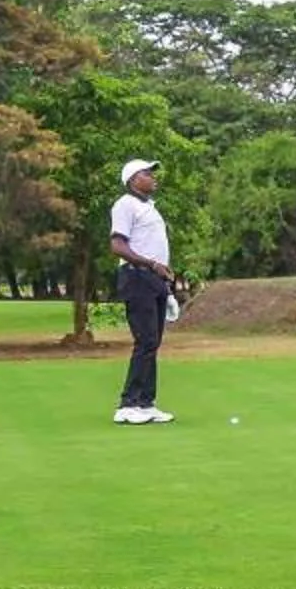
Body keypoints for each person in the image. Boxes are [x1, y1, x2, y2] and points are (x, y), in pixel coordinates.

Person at [108, 158, 178, 426]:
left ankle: (146, 403)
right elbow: (118, 246)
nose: (153, 177)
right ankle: (128, 404)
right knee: (145, 341)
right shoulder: (125, 204)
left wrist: (167, 288)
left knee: (153, 343)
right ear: (133, 179)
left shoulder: (150, 208)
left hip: (154, 281)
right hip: (136, 277)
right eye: (147, 173)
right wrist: (151, 265)